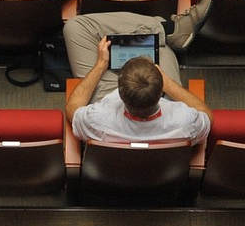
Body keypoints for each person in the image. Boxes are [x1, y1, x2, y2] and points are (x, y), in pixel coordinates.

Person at [64, 36, 211, 145]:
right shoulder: (186, 120)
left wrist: (101, 64)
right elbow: (207, 115)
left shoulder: (96, 119)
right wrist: (169, 84)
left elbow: (72, 109)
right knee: (166, 50)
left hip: (112, 178)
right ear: (161, 93)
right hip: (165, 179)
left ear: (120, 94)